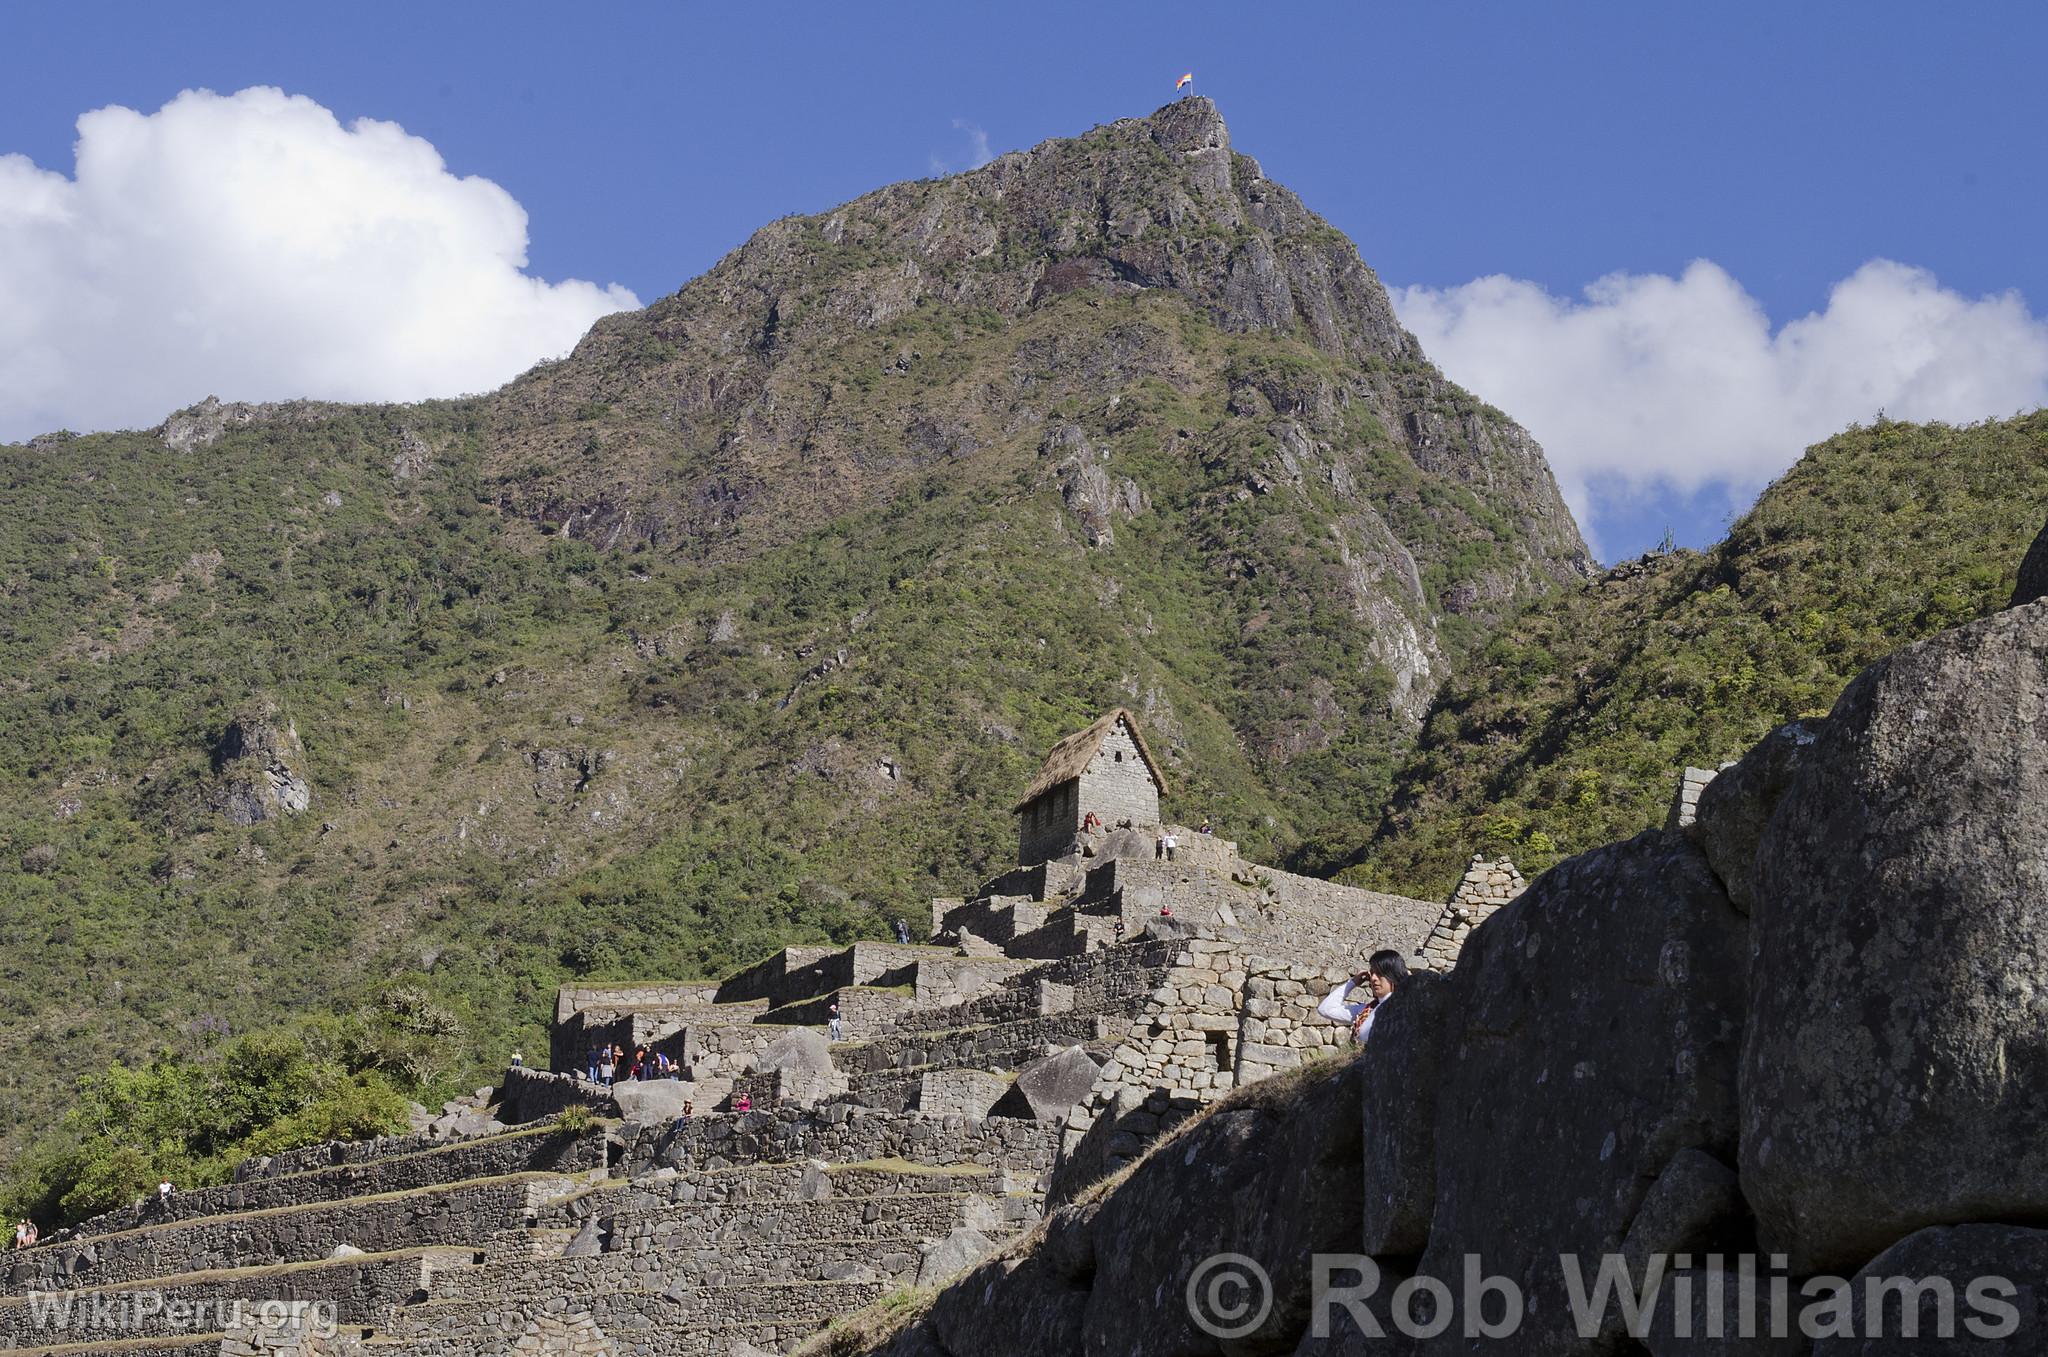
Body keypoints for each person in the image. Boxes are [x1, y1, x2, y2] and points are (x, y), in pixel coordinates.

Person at [1317, 950, 1410, 1045]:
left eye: (1379, 973)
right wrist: (1353, 982)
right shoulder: (1365, 1012)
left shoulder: (1407, 1008)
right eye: (1372, 973)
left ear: (1393, 975)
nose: (1373, 978)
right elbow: (1325, 1009)